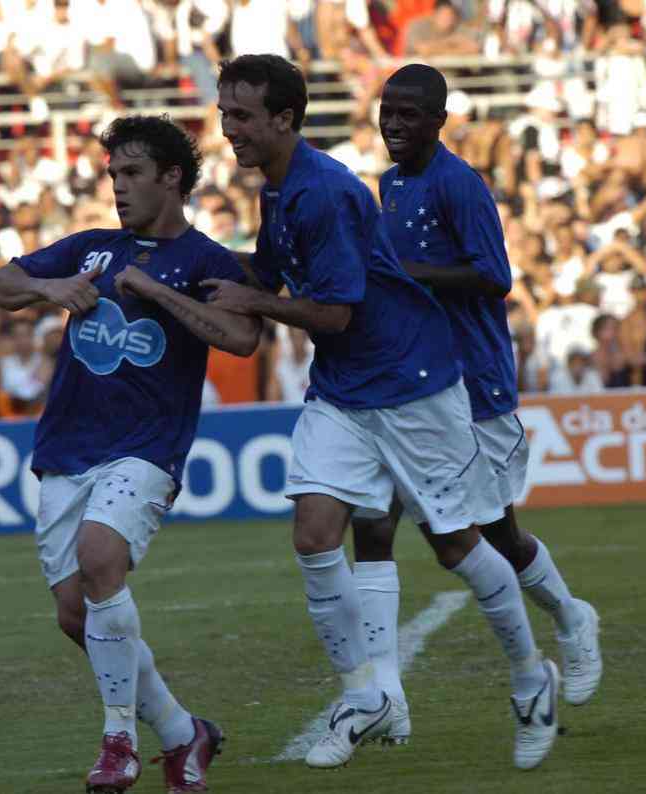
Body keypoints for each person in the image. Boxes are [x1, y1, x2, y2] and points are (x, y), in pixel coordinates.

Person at [209, 54, 559, 770]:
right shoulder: (279, 190)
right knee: (313, 535)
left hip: (413, 383)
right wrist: (176, 264)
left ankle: (532, 678)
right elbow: (267, 270)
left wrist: (254, 303)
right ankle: (366, 694)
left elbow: (333, 312)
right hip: (345, 388)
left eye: (240, 116)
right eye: (224, 114)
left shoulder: (327, 192)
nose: (227, 129)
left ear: (284, 119)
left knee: (457, 545)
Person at [0, 114, 260, 794]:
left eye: (132, 173)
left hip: (146, 447)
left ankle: (119, 741)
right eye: (113, 175)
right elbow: (1, 285)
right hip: (66, 444)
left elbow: (242, 338)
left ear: (172, 177)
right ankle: (181, 732)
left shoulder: (206, 262)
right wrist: (49, 288)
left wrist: (158, 292)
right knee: (76, 614)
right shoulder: (92, 247)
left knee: (101, 556)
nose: (118, 187)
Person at [352, 63, 601, 745]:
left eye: (409, 114)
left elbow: (494, 277)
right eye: (387, 111)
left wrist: (405, 277)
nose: (394, 125)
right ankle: (385, 696)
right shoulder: (390, 185)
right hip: (411, 381)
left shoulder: (459, 184)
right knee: (373, 523)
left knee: (496, 534)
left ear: (438, 120)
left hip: (475, 380)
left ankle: (572, 617)